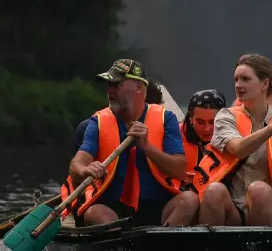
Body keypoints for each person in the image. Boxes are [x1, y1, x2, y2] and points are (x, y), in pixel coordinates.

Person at [63, 59, 197, 227]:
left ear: (139, 88)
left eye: (117, 84)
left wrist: (147, 147)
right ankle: (125, 241)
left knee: (190, 200)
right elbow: (77, 165)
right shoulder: (97, 122)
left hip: (158, 206)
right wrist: (85, 169)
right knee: (93, 212)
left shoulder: (166, 119)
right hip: (113, 207)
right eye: (109, 85)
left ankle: (162, 240)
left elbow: (179, 170)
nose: (110, 90)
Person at [195, 54, 272, 227]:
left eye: (246, 79)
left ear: (264, 84)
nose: (239, 85)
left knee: (258, 190)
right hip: (233, 210)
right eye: (236, 79)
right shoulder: (225, 116)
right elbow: (237, 149)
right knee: (213, 190)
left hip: (269, 206)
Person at [180, 89, 227, 190]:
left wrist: (199, 179)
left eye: (213, 122)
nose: (207, 129)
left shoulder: (233, 140)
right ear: (190, 118)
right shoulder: (174, 138)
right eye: (200, 122)